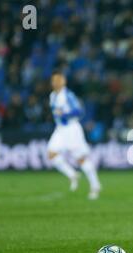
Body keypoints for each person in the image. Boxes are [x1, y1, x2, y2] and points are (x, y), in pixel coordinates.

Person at [47, 71, 101, 200]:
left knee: (81, 159)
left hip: (72, 129)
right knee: (51, 154)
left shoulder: (68, 95)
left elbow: (79, 111)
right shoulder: (52, 96)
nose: (55, 83)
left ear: (63, 82)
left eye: (58, 80)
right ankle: (72, 174)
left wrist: (64, 114)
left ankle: (95, 185)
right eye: (53, 80)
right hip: (60, 130)